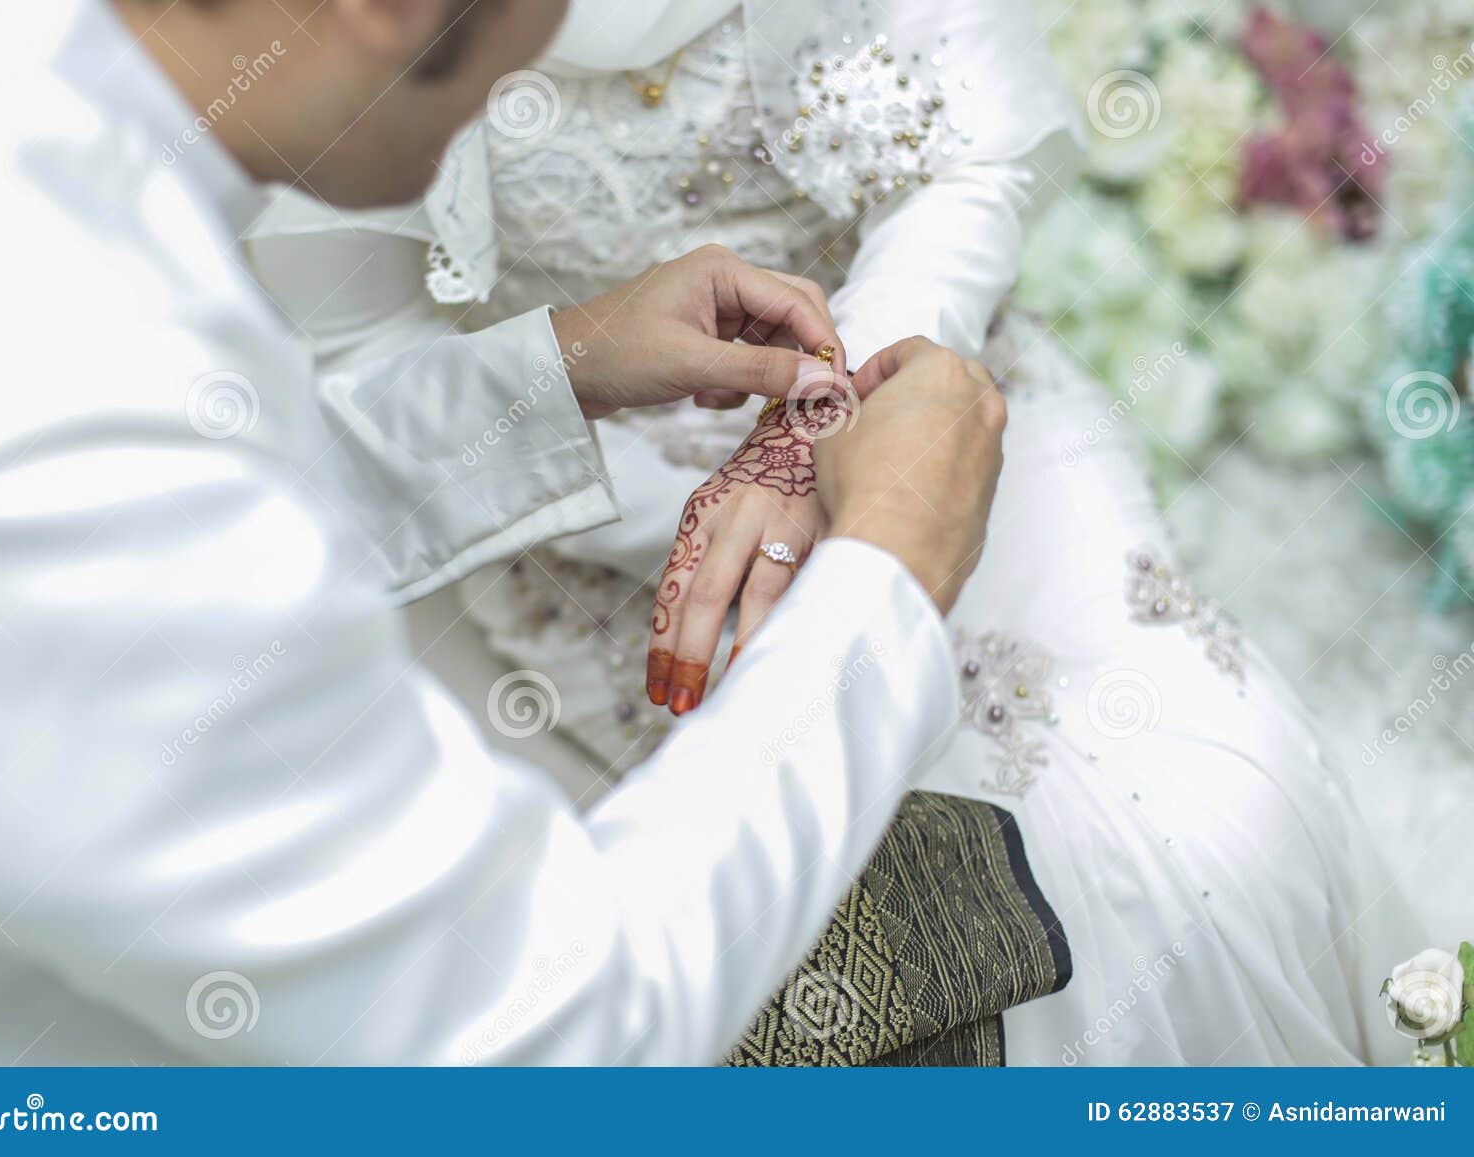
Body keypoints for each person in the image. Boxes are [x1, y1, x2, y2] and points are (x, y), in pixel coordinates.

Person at [248, 0, 1428, 1063]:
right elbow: (360, 352)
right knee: (921, 925)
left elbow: (970, 161)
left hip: (937, 369)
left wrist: (820, 441)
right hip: (590, 514)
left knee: (1227, 798)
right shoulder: (337, 41)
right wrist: (675, 497)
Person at [0, 0, 1009, 1065]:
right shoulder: (52, 443)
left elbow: (222, 513)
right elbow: (553, 1035)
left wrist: (554, 366)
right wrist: (890, 565)